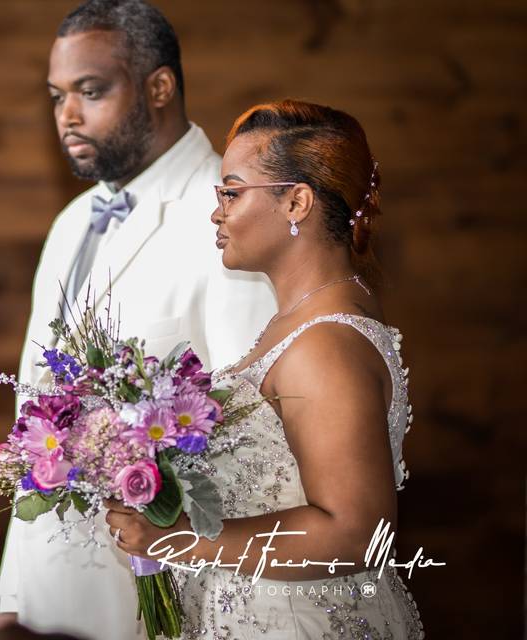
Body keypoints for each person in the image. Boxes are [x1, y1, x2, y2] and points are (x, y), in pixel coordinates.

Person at [0, 2, 276, 637]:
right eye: (57, 95)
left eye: (90, 91)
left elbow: (254, 443)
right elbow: (31, 421)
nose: (67, 114)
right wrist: (13, 595)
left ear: (159, 86)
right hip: (47, 596)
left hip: (158, 601)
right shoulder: (70, 224)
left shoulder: (226, 221)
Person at [103, 99, 424, 638]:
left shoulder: (326, 345)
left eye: (231, 192)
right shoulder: (297, 324)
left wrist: (178, 539)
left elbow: (355, 532)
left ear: (297, 201)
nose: (217, 211)